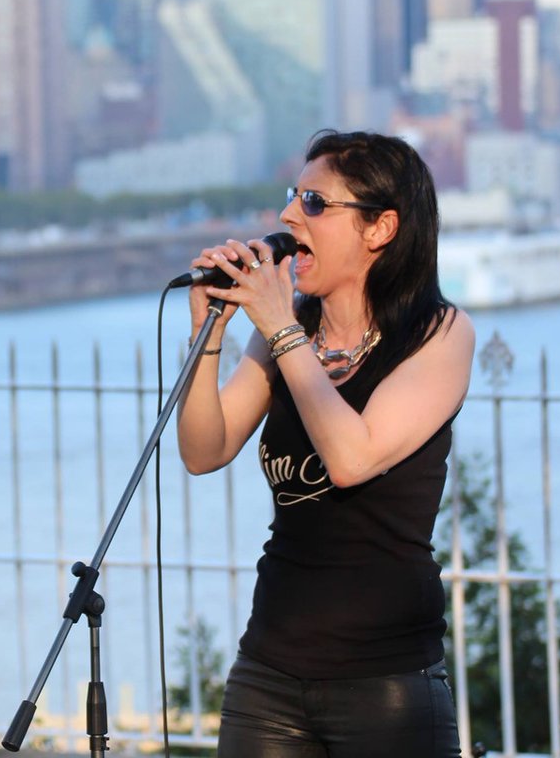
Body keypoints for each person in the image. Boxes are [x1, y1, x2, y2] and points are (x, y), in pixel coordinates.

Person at [176, 130, 473, 757]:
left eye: (314, 202)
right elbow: (204, 450)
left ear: (380, 228)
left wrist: (280, 326)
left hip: (384, 681)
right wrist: (207, 334)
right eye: (292, 196)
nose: (287, 217)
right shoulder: (291, 332)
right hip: (270, 671)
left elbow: (351, 459)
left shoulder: (438, 334)